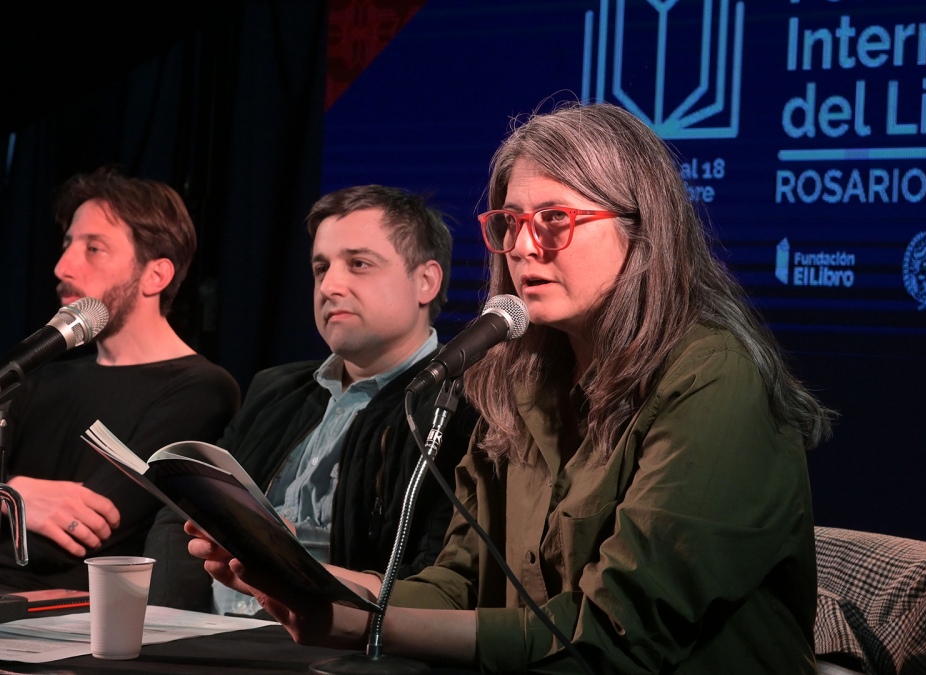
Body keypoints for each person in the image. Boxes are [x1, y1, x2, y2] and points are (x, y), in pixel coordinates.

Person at [189, 103, 831, 672]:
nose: (523, 246)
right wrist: (308, 582)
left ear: (641, 230)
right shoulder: (515, 382)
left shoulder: (711, 377)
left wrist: (370, 626)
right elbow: (460, 584)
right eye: (510, 222)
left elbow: (617, 636)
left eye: (553, 219)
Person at [148, 185, 477, 613]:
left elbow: (435, 586)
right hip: (210, 639)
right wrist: (163, 628)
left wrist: (280, 558)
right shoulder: (275, 389)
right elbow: (182, 515)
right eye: (321, 268)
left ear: (426, 281)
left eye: (359, 264)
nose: (331, 285)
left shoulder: (457, 407)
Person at [0, 168, 240, 591]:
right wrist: (16, 495)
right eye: (67, 244)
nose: (62, 266)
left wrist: (8, 500)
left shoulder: (200, 389)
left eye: (94, 248)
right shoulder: (35, 377)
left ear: (156, 275)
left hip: (65, 624)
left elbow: (70, 540)